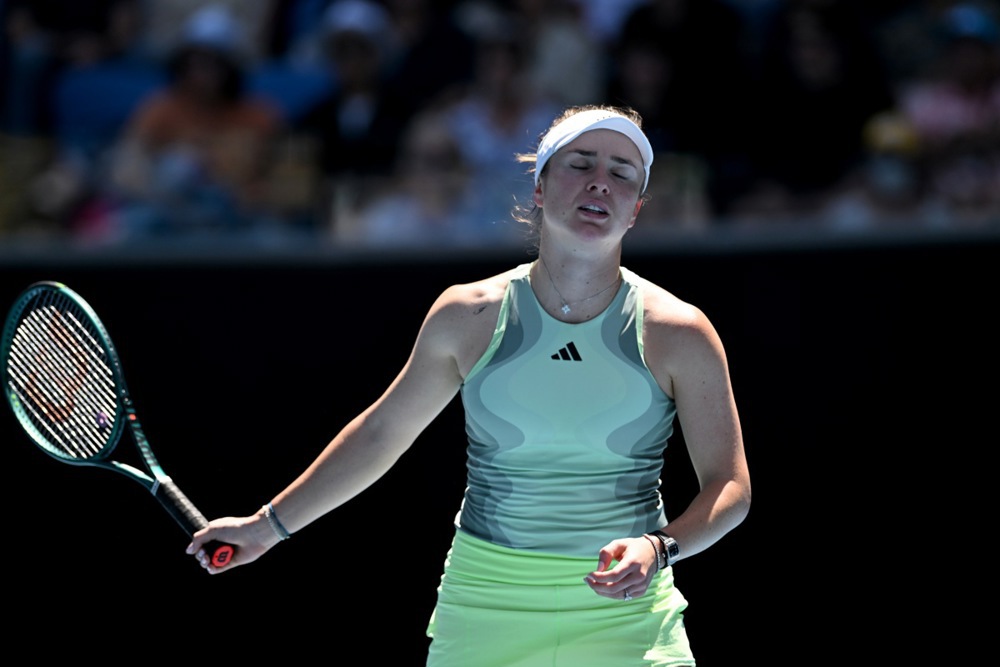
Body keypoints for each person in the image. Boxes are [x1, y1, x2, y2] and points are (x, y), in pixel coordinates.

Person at [187, 104, 751, 666]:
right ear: (539, 187)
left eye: (622, 173)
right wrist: (265, 528)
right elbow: (381, 435)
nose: (600, 182)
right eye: (581, 164)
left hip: (630, 613)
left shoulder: (680, 332)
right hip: (485, 602)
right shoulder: (468, 315)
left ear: (636, 209)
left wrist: (660, 547)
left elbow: (729, 487)